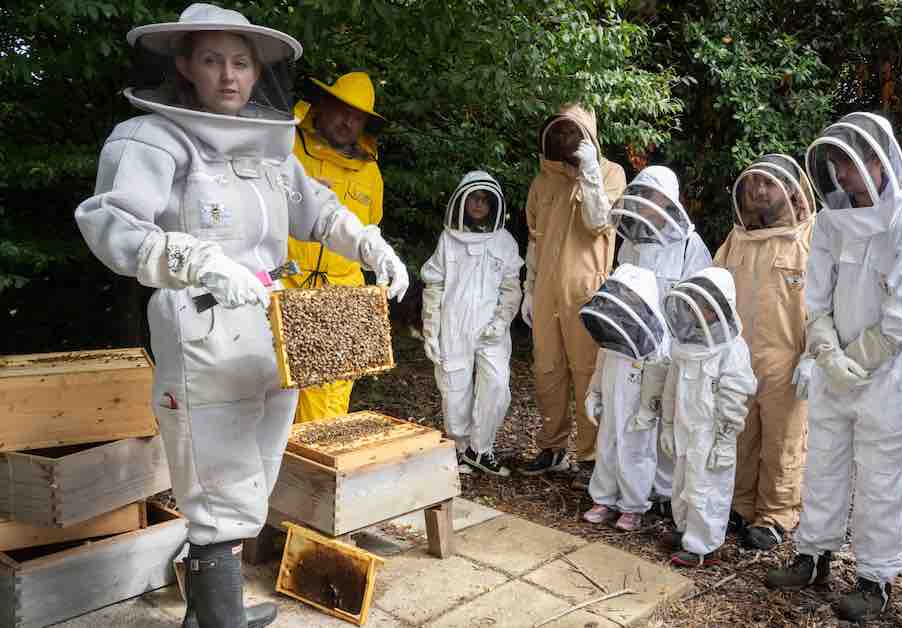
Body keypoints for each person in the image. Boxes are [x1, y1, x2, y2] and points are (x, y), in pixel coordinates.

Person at [74, 5, 409, 627]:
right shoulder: (152, 138)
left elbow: (317, 209)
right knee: (212, 479)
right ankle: (220, 619)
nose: (229, 76)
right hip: (200, 324)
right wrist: (196, 261)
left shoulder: (269, 144)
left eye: (241, 62)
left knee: (254, 469)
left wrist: (367, 243)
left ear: (259, 71)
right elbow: (111, 222)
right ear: (184, 66)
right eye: (212, 60)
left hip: (273, 328)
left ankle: (210, 611)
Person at [766, 112, 902, 622]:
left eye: (846, 164)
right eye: (836, 165)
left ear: (877, 161)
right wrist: (826, 350)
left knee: (880, 478)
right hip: (833, 367)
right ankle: (812, 556)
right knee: (822, 463)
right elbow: (816, 293)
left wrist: (856, 359)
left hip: (888, 376)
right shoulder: (831, 220)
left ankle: (874, 578)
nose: (840, 175)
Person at [519, 105, 627, 489]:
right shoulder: (542, 181)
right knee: (547, 371)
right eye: (560, 132)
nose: (566, 140)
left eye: (573, 132)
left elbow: (598, 222)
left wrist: (590, 172)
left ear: (589, 136)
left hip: (587, 290)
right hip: (546, 291)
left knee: (587, 372)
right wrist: (529, 287)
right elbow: (535, 240)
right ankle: (552, 447)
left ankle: (590, 456)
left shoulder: (611, 173)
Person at [712, 154, 816, 550]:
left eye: (768, 184)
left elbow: (824, 304)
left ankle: (776, 514)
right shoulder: (736, 238)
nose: (758, 191)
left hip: (786, 361)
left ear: (790, 190)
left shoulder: (809, 239)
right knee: (739, 434)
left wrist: (813, 356)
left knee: (782, 441)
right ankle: (740, 506)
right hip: (739, 357)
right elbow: (714, 289)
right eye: (754, 183)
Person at [282, 71, 386, 423]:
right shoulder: (287, 146)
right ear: (323, 104)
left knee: (331, 401)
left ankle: (316, 460)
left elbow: (370, 227)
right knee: (275, 395)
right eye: (342, 110)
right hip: (284, 280)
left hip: (343, 292)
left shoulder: (370, 172)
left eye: (357, 117)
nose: (347, 121)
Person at [611, 165, 713, 513]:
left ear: (669, 200)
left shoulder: (689, 245)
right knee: (634, 414)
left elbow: (699, 298)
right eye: (641, 194)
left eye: (653, 195)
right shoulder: (630, 242)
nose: (646, 201)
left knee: (668, 414)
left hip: (670, 344)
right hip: (633, 344)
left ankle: (665, 491)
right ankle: (633, 487)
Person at [421, 171, 522, 476]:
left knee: (497, 385)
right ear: (462, 202)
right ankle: (460, 448)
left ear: (494, 206)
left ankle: (481, 448)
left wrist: (502, 320)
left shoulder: (504, 241)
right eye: (474, 199)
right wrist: (431, 330)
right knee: (454, 387)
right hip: (453, 323)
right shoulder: (448, 240)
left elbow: (511, 287)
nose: (478, 205)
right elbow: (434, 285)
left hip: (491, 328)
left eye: (485, 200)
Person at [658, 267, 756, 567]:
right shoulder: (685, 343)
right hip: (684, 425)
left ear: (721, 306)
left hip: (711, 433)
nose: (699, 310)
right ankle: (686, 530)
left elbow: (734, 397)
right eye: (696, 303)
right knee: (682, 483)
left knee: (707, 488)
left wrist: (725, 441)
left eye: (706, 304)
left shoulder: (733, 349)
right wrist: (668, 425)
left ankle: (703, 547)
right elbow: (671, 388)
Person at [578, 264, 668, 531]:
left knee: (636, 454)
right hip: (612, 398)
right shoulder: (612, 323)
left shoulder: (658, 333)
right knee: (606, 447)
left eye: (631, 293)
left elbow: (658, 373)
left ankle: (632, 507)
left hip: (638, 406)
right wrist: (594, 392)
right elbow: (602, 360)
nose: (627, 298)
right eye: (623, 292)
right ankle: (603, 499)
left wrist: (649, 409)